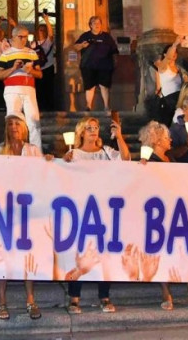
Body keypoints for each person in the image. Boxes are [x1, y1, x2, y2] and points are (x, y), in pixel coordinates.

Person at [62, 116, 130, 314]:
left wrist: (119, 136)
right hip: (81, 210)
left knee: (104, 254)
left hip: (104, 210)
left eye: (96, 127)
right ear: (81, 132)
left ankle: (104, 296)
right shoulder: (73, 154)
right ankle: (74, 298)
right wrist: (58, 161)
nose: (93, 130)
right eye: (89, 127)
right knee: (80, 253)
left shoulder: (106, 153)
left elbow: (126, 160)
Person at [138, 121, 188, 310]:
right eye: (167, 138)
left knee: (186, 253)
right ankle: (166, 294)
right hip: (160, 216)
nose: (171, 140)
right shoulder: (149, 161)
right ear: (157, 141)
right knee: (164, 255)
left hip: (178, 212)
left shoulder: (170, 158)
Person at [0, 114, 42, 320]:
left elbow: (42, 175)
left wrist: (48, 163)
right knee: (3, 255)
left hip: (28, 210)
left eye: (17, 123)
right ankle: (2, 302)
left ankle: (30, 299)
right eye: (9, 123)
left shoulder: (33, 150)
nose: (13, 127)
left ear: (24, 128)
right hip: (4, 209)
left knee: (28, 255)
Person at [0, 25, 43, 150]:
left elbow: (40, 74)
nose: (24, 40)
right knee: (13, 122)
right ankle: (11, 149)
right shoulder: (6, 54)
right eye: (21, 37)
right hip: (12, 90)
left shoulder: (32, 53)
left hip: (29, 90)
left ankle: (36, 152)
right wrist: (13, 68)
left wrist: (30, 70)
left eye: (26, 37)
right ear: (13, 37)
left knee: (34, 121)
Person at [73, 16, 118, 111]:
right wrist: (82, 45)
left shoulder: (107, 37)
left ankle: (106, 107)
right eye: (94, 23)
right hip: (88, 66)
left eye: (99, 23)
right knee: (90, 86)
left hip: (105, 66)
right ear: (90, 25)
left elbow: (114, 51)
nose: (97, 25)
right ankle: (88, 106)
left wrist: (115, 63)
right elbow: (75, 47)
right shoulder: (85, 36)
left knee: (104, 86)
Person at [152, 36, 185, 127]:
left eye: (175, 53)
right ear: (165, 54)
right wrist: (175, 45)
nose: (173, 54)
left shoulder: (178, 68)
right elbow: (168, 58)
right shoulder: (162, 66)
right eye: (171, 52)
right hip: (168, 100)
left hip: (178, 99)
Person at [33, 11, 56, 111]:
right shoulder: (33, 43)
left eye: (43, 30)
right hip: (37, 69)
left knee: (49, 88)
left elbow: (51, 33)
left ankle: (49, 107)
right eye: (39, 30)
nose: (41, 32)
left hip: (48, 68)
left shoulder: (48, 41)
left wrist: (46, 20)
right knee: (38, 89)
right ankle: (39, 107)